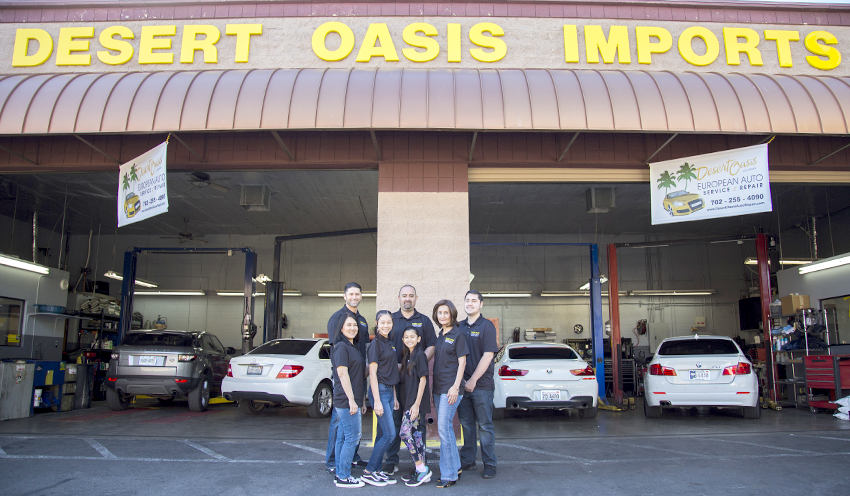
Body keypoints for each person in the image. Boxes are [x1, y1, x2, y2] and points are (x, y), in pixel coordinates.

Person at [381, 285, 437, 477]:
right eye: (404, 295)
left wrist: (416, 364)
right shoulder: (392, 320)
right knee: (395, 421)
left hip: (415, 380)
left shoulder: (424, 320)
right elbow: (384, 345)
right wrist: (398, 366)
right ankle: (392, 461)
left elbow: (432, 346)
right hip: (395, 380)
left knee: (418, 424)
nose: (407, 298)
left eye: (411, 296)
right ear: (398, 297)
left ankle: (420, 462)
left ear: (416, 298)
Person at [326, 283, 370, 475]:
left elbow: (364, 347)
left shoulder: (362, 321)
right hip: (345, 377)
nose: (354, 297)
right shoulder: (337, 318)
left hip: (359, 376)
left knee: (354, 420)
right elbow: (337, 351)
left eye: (357, 294)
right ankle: (333, 461)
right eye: (350, 294)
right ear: (344, 296)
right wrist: (341, 376)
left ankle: (351, 456)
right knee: (339, 421)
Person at [457, 290, 499, 479]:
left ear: (481, 304)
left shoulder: (487, 326)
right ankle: (468, 460)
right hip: (463, 385)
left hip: (481, 386)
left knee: (485, 425)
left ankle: (489, 463)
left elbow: (488, 355)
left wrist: (473, 380)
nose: (470, 303)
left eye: (474, 300)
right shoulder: (460, 326)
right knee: (466, 425)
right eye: (467, 300)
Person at [431, 300, 468, 488]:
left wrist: (455, 386)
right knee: (445, 429)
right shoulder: (440, 335)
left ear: (452, 314)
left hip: (451, 389)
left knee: (444, 430)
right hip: (438, 389)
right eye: (440, 313)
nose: (443, 316)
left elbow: (462, 363)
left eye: (446, 312)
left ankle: (449, 474)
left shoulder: (458, 335)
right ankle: (456, 467)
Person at [362, 310, 400, 486]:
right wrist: (376, 401)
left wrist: (395, 396)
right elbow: (373, 373)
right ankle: (369, 471)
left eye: (389, 322)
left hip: (389, 392)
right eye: (382, 322)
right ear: (377, 324)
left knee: (382, 433)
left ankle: (376, 470)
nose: (386, 325)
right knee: (390, 434)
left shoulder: (390, 344)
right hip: (380, 392)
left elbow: (391, 371)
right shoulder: (375, 345)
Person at [333, 315, 368, 488]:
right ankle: (344, 476)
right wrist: (352, 400)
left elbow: (357, 375)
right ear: (341, 328)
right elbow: (342, 374)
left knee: (343, 437)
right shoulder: (341, 347)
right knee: (353, 437)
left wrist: (361, 401)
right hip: (346, 400)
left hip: (352, 400)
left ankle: (340, 472)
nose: (353, 328)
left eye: (355, 325)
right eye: (348, 325)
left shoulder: (353, 347)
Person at [398, 326, 433, 487]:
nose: (409, 339)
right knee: (417, 437)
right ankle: (421, 470)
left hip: (415, 404)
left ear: (418, 339)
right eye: (406, 337)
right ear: (403, 339)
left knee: (405, 433)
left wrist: (417, 404)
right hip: (409, 403)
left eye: (412, 337)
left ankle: (420, 467)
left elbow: (423, 380)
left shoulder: (420, 355)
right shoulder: (407, 356)